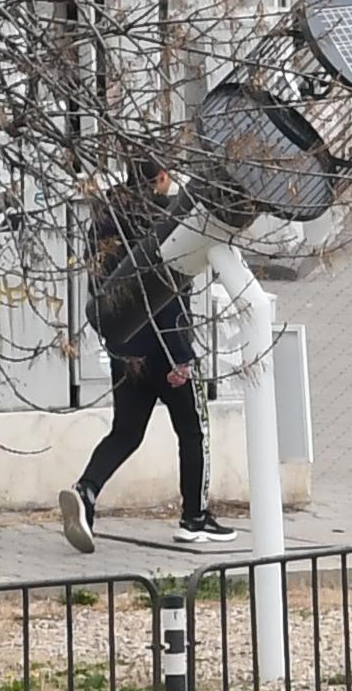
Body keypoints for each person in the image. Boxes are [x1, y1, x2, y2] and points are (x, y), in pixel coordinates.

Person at [55, 162, 232, 550]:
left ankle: (86, 491)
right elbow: (167, 293)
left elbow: (99, 286)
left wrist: (118, 346)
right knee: (193, 431)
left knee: (126, 432)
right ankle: (195, 517)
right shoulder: (167, 221)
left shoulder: (104, 219)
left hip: (125, 350)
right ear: (162, 177)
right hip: (167, 351)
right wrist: (181, 356)